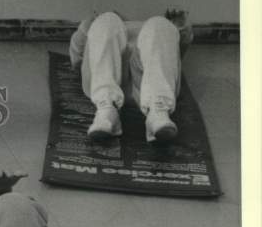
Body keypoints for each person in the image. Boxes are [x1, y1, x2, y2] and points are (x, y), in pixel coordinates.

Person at [69, 9, 193, 143]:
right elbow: (77, 61)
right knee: (107, 19)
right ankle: (107, 111)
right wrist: (86, 27)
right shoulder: (108, 23)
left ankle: (158, 112)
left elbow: (173, 59)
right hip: (105, 83)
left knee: (159, 23)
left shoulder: (154, 28)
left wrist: (183, 27)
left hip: (146, 88)